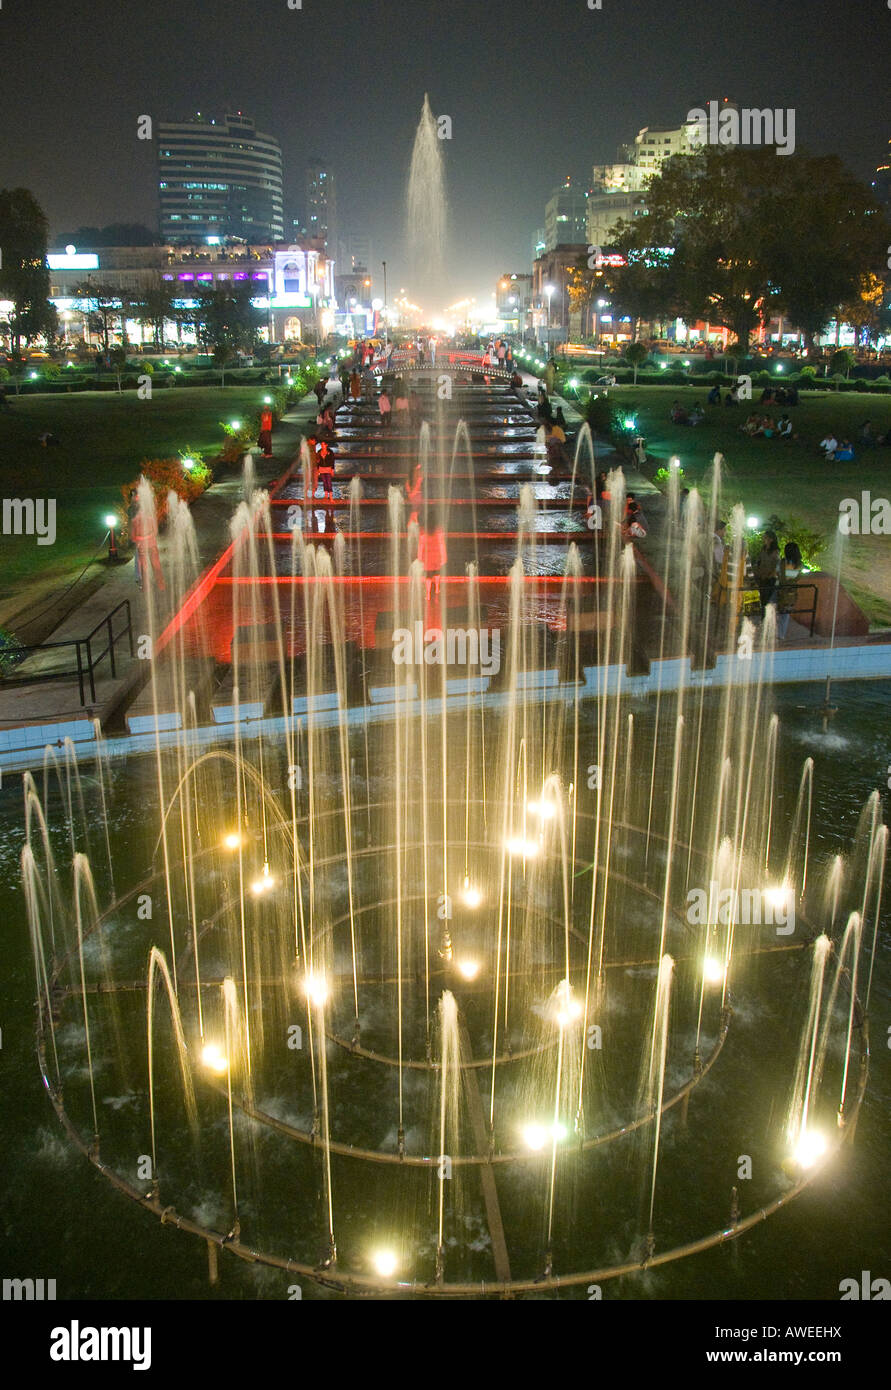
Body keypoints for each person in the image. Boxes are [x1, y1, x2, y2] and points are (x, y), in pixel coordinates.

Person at [128, 497, 165, 592]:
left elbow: (133, 536)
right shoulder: (140, 520)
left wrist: (141, 538)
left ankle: (154, 585)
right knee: (149, 567)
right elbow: (133, 536)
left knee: (150, 566)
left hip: (147, 546)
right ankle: (153, 585)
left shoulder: (141, 520)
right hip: (147, 546)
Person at [777, 541, 803, 640]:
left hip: (780, 590)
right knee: (786, 613)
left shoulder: (783, 562)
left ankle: (774, 633)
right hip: (791, 592)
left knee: (772, 608)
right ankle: (781, 634)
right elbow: (798, 577)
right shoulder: (800, 564)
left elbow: (779, 575)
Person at [754, 529, 780, 615]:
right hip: (762, 577)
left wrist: (769, 575)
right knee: (762, 599)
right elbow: (759, 561)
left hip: (770, 578)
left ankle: (767, 618)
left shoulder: (775, 551)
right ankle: (763, 617)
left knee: (767, 599)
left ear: (771, 539)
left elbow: (776, 565)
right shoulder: (763, 549)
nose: (763, 539)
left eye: (765, 537)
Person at [315, 437, 336, 502]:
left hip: (328, 468)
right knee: (324, 482)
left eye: (323, 444)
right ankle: (326, 495)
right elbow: (317, 461)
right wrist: (318, 469)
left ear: (326, 445)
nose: (322, 446)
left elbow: (332, 461)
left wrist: (332, 469)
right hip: (321, 469)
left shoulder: (330, 452)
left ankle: (331, 497)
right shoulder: (319, 452)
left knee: (329, 482)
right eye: (321, 444)